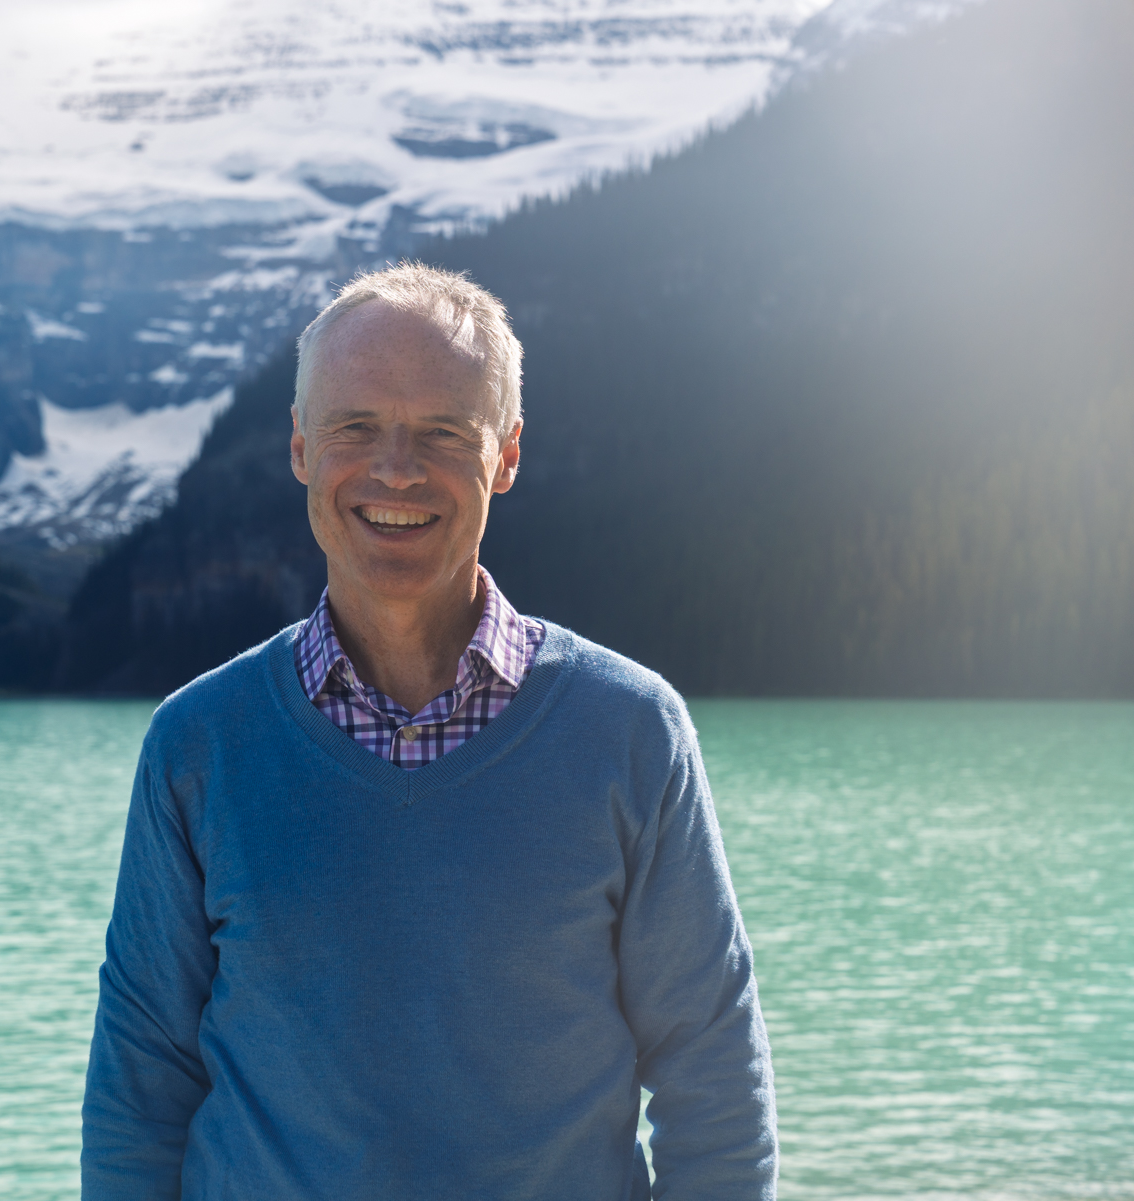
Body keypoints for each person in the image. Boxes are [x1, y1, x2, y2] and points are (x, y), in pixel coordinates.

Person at [81, 263, 777, 1200]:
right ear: (298, 446)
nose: (396, 468)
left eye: (444, 432)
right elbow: (141, 1094)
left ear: (508, 453)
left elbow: (714, 1083)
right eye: (354, 427)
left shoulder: (633, 733)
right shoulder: (195, 747)